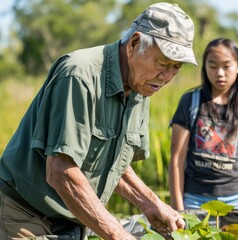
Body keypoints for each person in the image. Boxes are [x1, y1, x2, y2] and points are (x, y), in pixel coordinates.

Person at [0, 2, 197, 239]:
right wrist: (117, 234)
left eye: (176, 68)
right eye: (162, 63)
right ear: (134, 44)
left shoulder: (141, 85)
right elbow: (61, 171)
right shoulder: (79, 76)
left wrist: (152, 204)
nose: (166, 77)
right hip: (23, 214)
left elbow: (113, 163)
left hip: (72, 219)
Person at [169, 38, 238, 211]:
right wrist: (177, 209)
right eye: (213, 66)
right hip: (195, 200)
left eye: (226, 66)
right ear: (205, 67)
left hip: (237, 200)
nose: (219, 73)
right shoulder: (190, 101)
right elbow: (177, 158)